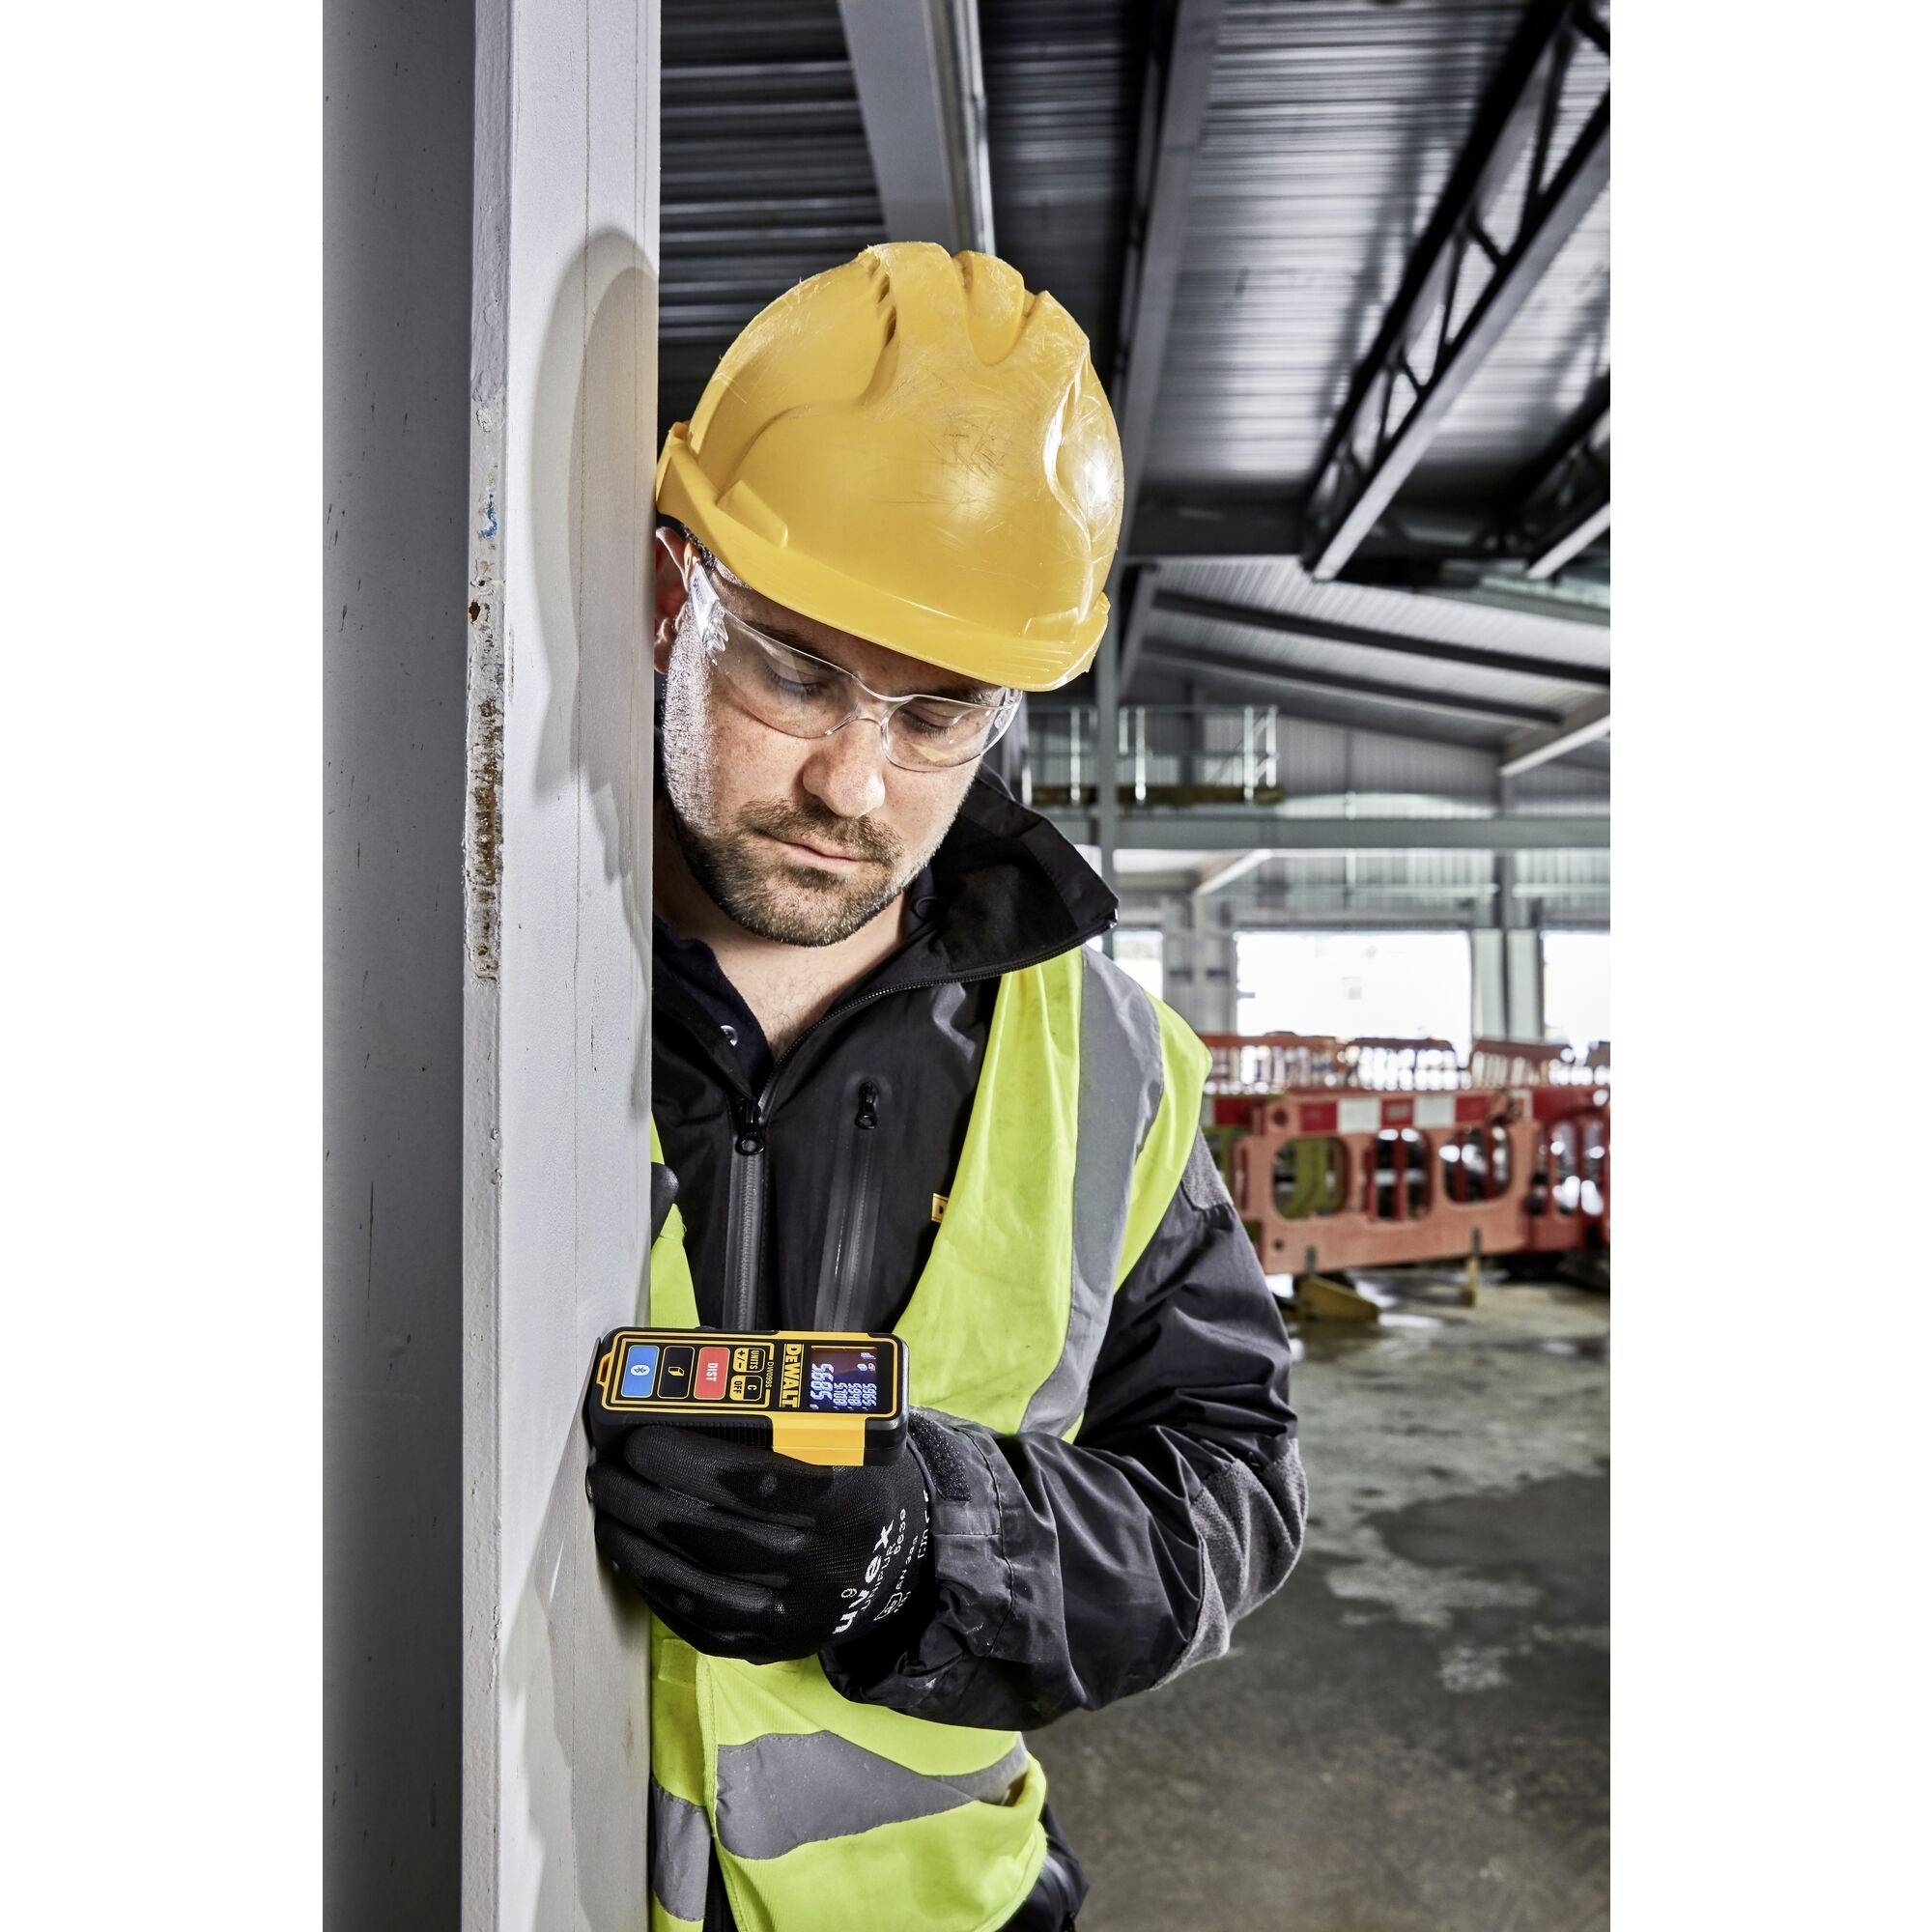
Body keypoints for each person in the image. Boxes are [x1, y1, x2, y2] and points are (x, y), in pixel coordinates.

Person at [584, 242, 1307, 1932]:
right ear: (671, 590)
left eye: (937, 713)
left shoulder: (1111, 1065)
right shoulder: (463, 995)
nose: (852, 783)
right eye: (793, 669)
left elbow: (1231, 1490)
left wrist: (928, 1550)